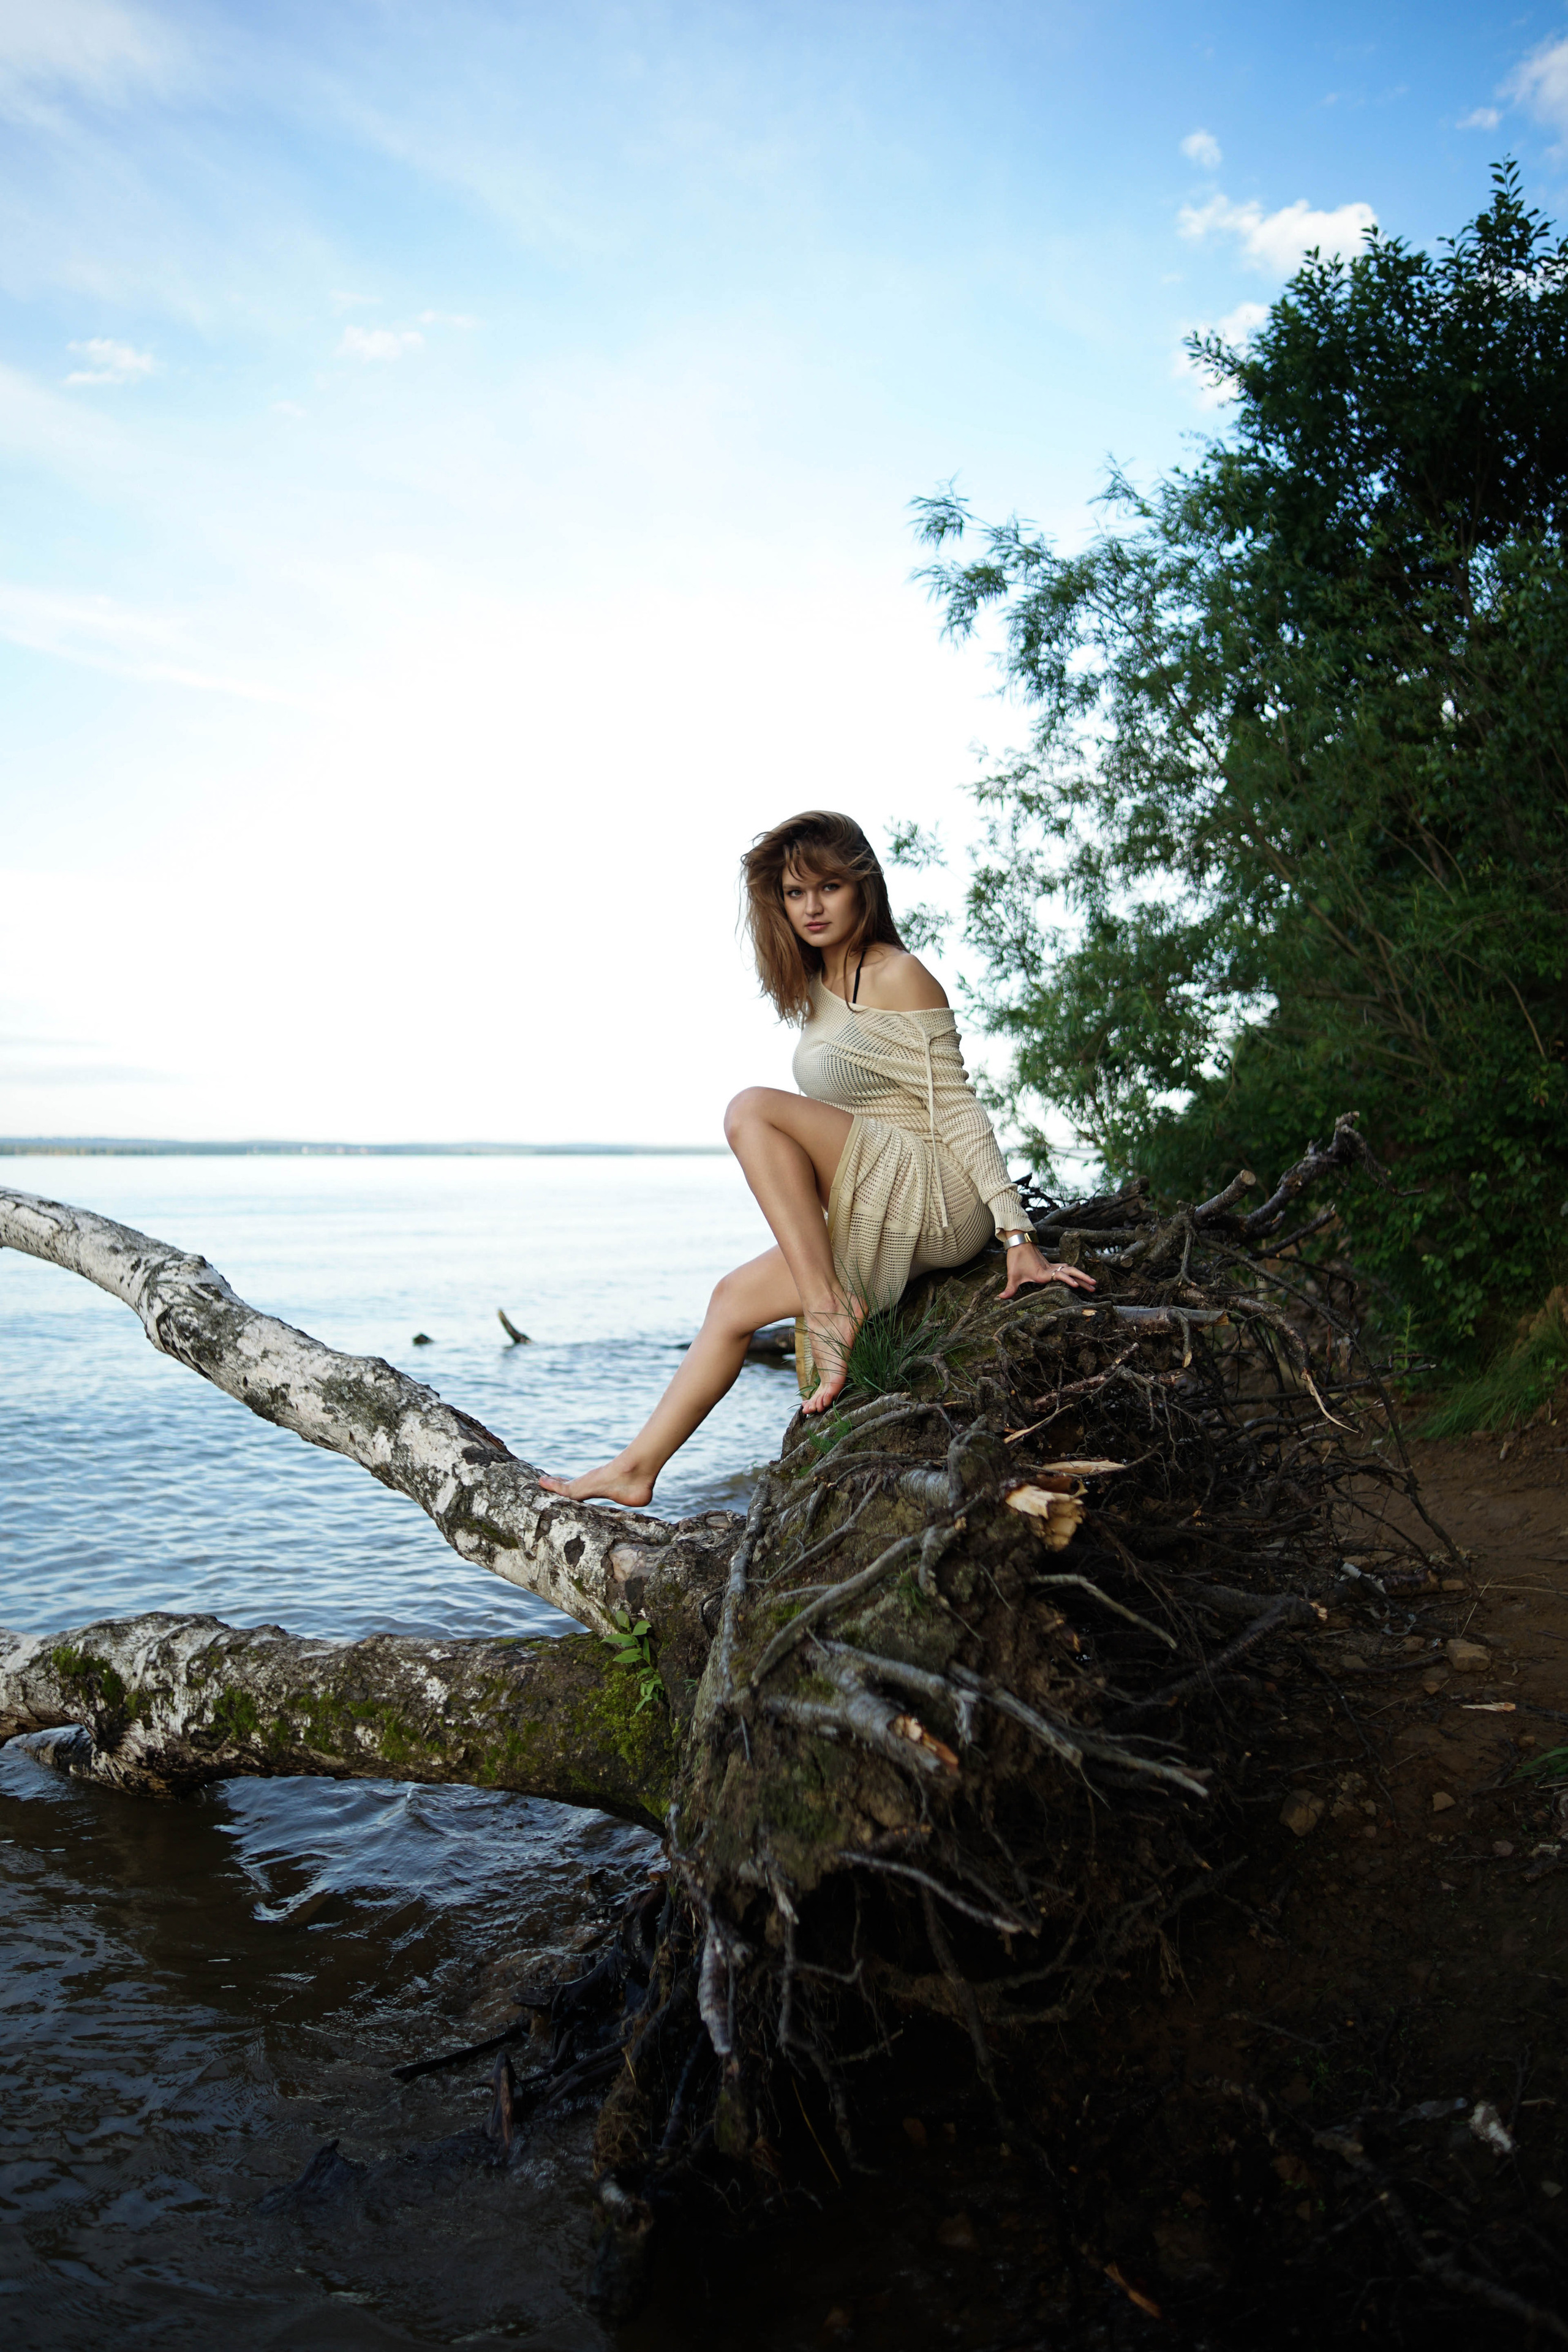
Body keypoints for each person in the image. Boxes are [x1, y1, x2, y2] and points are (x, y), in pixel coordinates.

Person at [538, 810, 1095, 1505]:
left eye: (827, 887)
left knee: (750, 1108)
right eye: (794, 894)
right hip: (882, 1196)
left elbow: (957, 1107)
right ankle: (635, 1470)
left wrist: (1018, 1237)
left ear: (862, 887)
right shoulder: (815, 991)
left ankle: (831, 1310)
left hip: (935, 1189)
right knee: (731, 1301)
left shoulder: (897, 973)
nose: (811, 907)